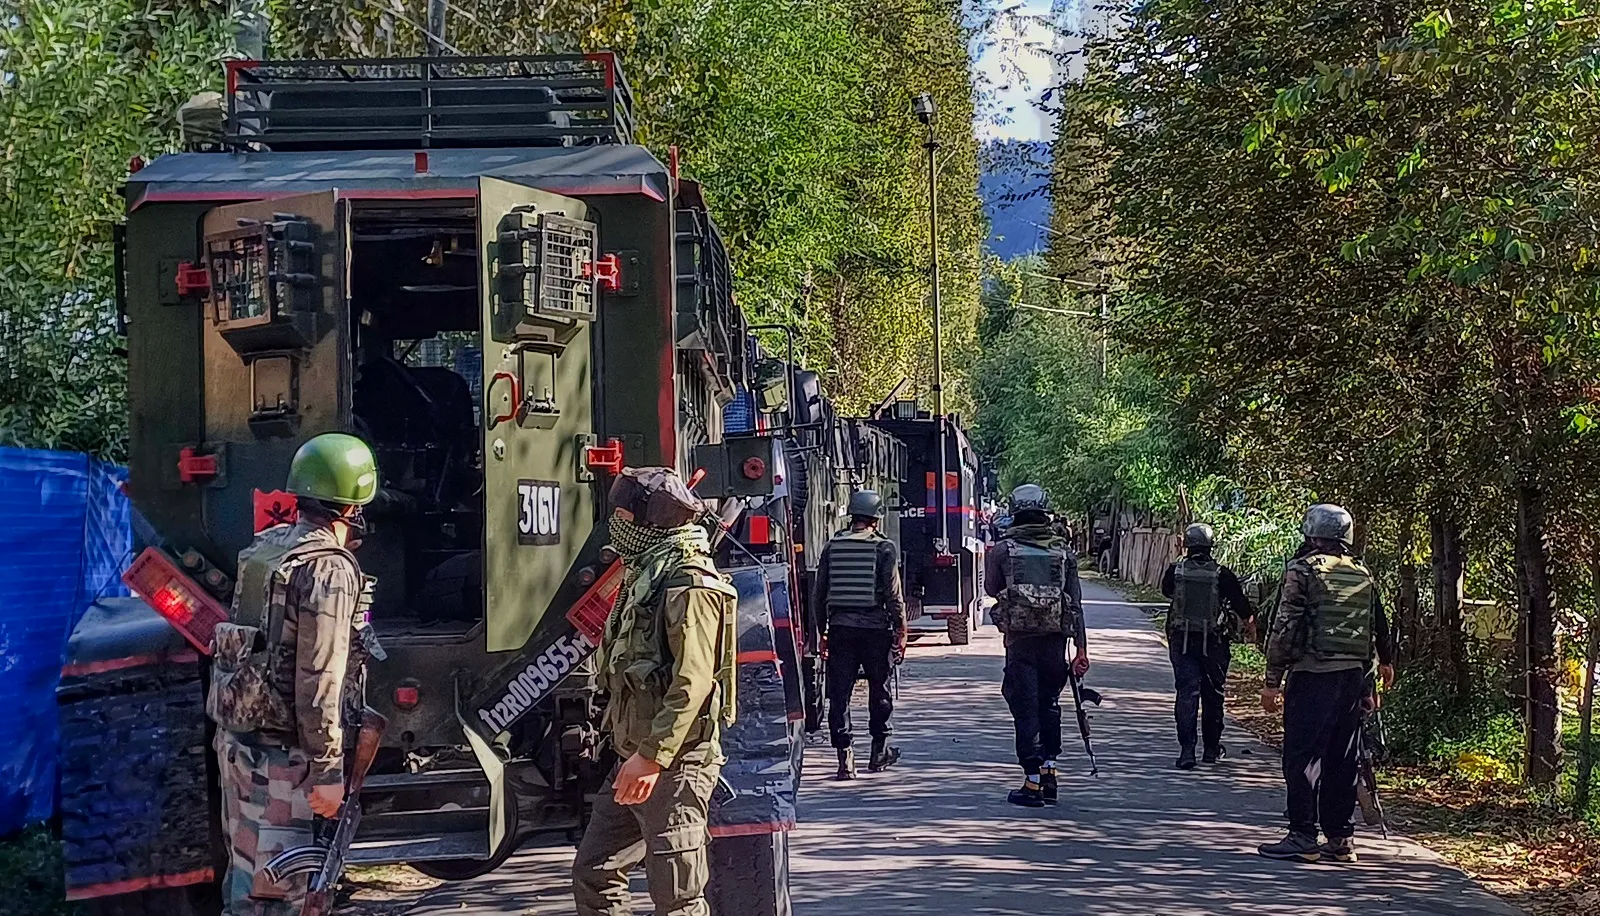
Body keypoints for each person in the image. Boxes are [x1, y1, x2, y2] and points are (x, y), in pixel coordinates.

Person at [207, 433, 379, 916]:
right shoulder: (329, 568)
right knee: (284, 895)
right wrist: (327, 771)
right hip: (285, 762)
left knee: (247, 889)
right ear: (354, 504)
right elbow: (319, 676)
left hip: (240, 748)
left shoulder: (266, 550)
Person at [572, 467, 739, 916]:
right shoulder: (645, 574)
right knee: (594, 873)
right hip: (633, 758)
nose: (617, 525)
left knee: (678, 900)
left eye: (624, 515)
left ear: (650, 522)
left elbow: (694, 681)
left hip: (674, 764)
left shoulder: (689, 582)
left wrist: (652, 756)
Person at [1258, 503, 1396, 864]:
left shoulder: (1302, 571)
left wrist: (1272, 681)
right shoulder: (1362, 572)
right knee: (1343, 758)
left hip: (1313, 677)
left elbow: (1285, 627)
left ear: (1310, 535)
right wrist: (1374, 680)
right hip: (1352, 678)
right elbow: (1376, 626)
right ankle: (1340, 838)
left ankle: (1303, 834)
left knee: (1302, 756)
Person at [985, 484, 1088, 808]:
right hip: (1055, 643)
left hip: (1020, 642)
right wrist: (1082, 649)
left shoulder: (1003, 550)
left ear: (1014, 513)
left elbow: (991, 587)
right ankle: (1050, 773)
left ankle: (1031, 783)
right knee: (1049, 704)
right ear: (1046, 513)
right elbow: (1076, 603)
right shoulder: (1063, 552)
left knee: (1024, 707)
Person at [811, 489, 908, 779]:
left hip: (840, 629)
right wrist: (901, 629)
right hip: (876, 630)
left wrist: (821, 631)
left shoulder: (832, 546)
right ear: (876, 518)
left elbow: (819, 593)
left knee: (839, 694)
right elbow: (893, 595)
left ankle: (845, 759)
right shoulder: (884, 548)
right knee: (879, 688)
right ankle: (879, 752)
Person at [1161, 522, 1255, 770]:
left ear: (1187, 545)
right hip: (1214, 642)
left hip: (1182, 642)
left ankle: (1187, 751)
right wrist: (1250, 625)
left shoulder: (1176, 570)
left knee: (1187, 693)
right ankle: (1211, 750)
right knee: (1213, 694)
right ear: (1211, 545)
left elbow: (1165, 591)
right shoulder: (1222, 574)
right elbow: (1242, 606)